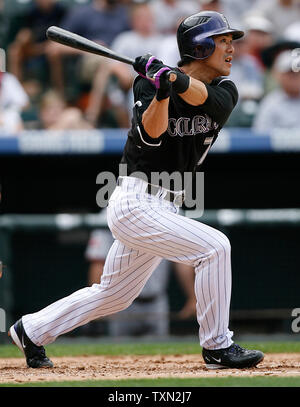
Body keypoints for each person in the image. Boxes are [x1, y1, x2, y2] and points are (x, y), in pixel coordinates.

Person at [8, 11, 264, 370]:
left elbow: (207, 101)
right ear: (200, 46)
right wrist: (161, 90)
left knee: (114, 294)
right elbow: (153, 134)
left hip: (168, 204)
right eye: (223, 41)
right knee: (215, 247)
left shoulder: (226, 91)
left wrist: (173, 78)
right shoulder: (147, 85)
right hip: (136, 200)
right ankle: (218, 346)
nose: (231, 49)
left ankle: (31, 329)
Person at [252, 49, 300, 131]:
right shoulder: (270, 102)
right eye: (290, 72)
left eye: (298, 72)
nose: (295, 77)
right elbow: (260, 136)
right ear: (279, 75)